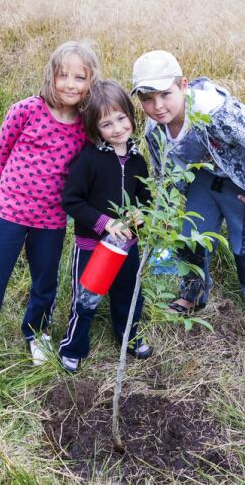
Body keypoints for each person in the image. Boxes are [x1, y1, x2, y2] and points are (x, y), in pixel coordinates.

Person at [0, 40, 101, 392]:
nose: (71, 84)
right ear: (51, 76)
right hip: (11, 212)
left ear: (91, 82)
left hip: (51, 219)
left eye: (80, 77)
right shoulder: (27, 110)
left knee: (44, 282)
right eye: (64, 75)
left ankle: (37, 332)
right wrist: (15, 190)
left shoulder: (85, 126)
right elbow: (2, 150)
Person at [131, 50, 245, 386]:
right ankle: (194, 293)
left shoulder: (216, 112)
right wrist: (167, 211)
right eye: (147, 98)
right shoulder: (154, 130)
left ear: (183, 86)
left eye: (165, 94)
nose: (158, 106)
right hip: (204, 180)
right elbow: (164, 174)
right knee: (189, 240)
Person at [58, 80, 153, 373]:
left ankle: (129, 336)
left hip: (127, 246)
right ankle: (74, 346)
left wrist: (141, 214)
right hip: (93, 246)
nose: (117, 128)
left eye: (122, 118)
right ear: (95, 128)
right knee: (86, 298)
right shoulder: (88, 160)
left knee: (128, 294)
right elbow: (71, 201)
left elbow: (146, 199)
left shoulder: (138, 161)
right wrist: (105, 222)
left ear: (131, 116)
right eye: (107, 124)